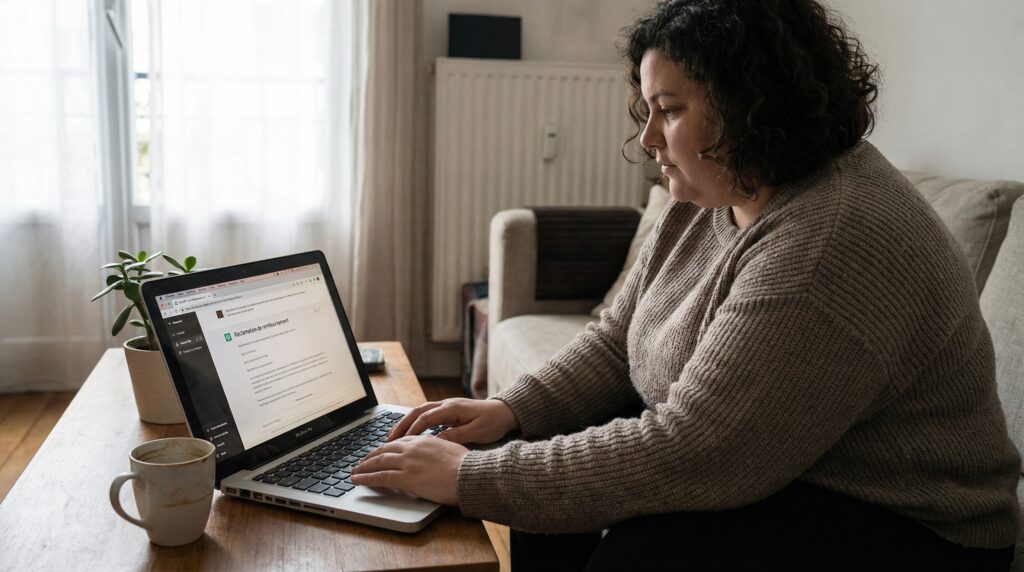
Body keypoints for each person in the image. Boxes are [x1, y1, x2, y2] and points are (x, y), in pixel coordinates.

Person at [351, 0, 1021, 569]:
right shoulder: (717, 190)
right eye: (646, 108)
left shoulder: (827, 242)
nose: (647, 138)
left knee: (645, 551)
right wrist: (510, 411)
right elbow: (617, 337)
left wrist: (470, 478)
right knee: (537, 474)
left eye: (668, 110)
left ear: (753, 105)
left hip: (913, 523)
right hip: (790, 468)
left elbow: (696, 450)